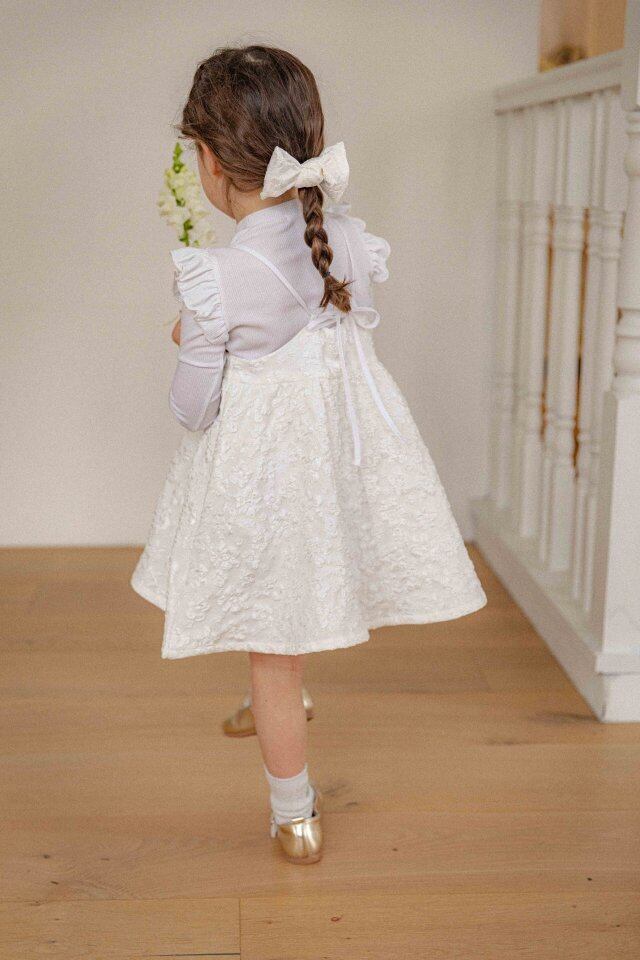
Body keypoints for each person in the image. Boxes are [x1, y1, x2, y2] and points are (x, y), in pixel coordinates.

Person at [131, 44, 487, 865]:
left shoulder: (217, 276)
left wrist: (194, 336)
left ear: (209, 162)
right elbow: (332, 334)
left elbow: (194, 409)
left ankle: (295, 816)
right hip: (336, 472)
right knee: (295, 595)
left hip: (264, 484)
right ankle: (282, 706)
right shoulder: (348, 241)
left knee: (272, 642)